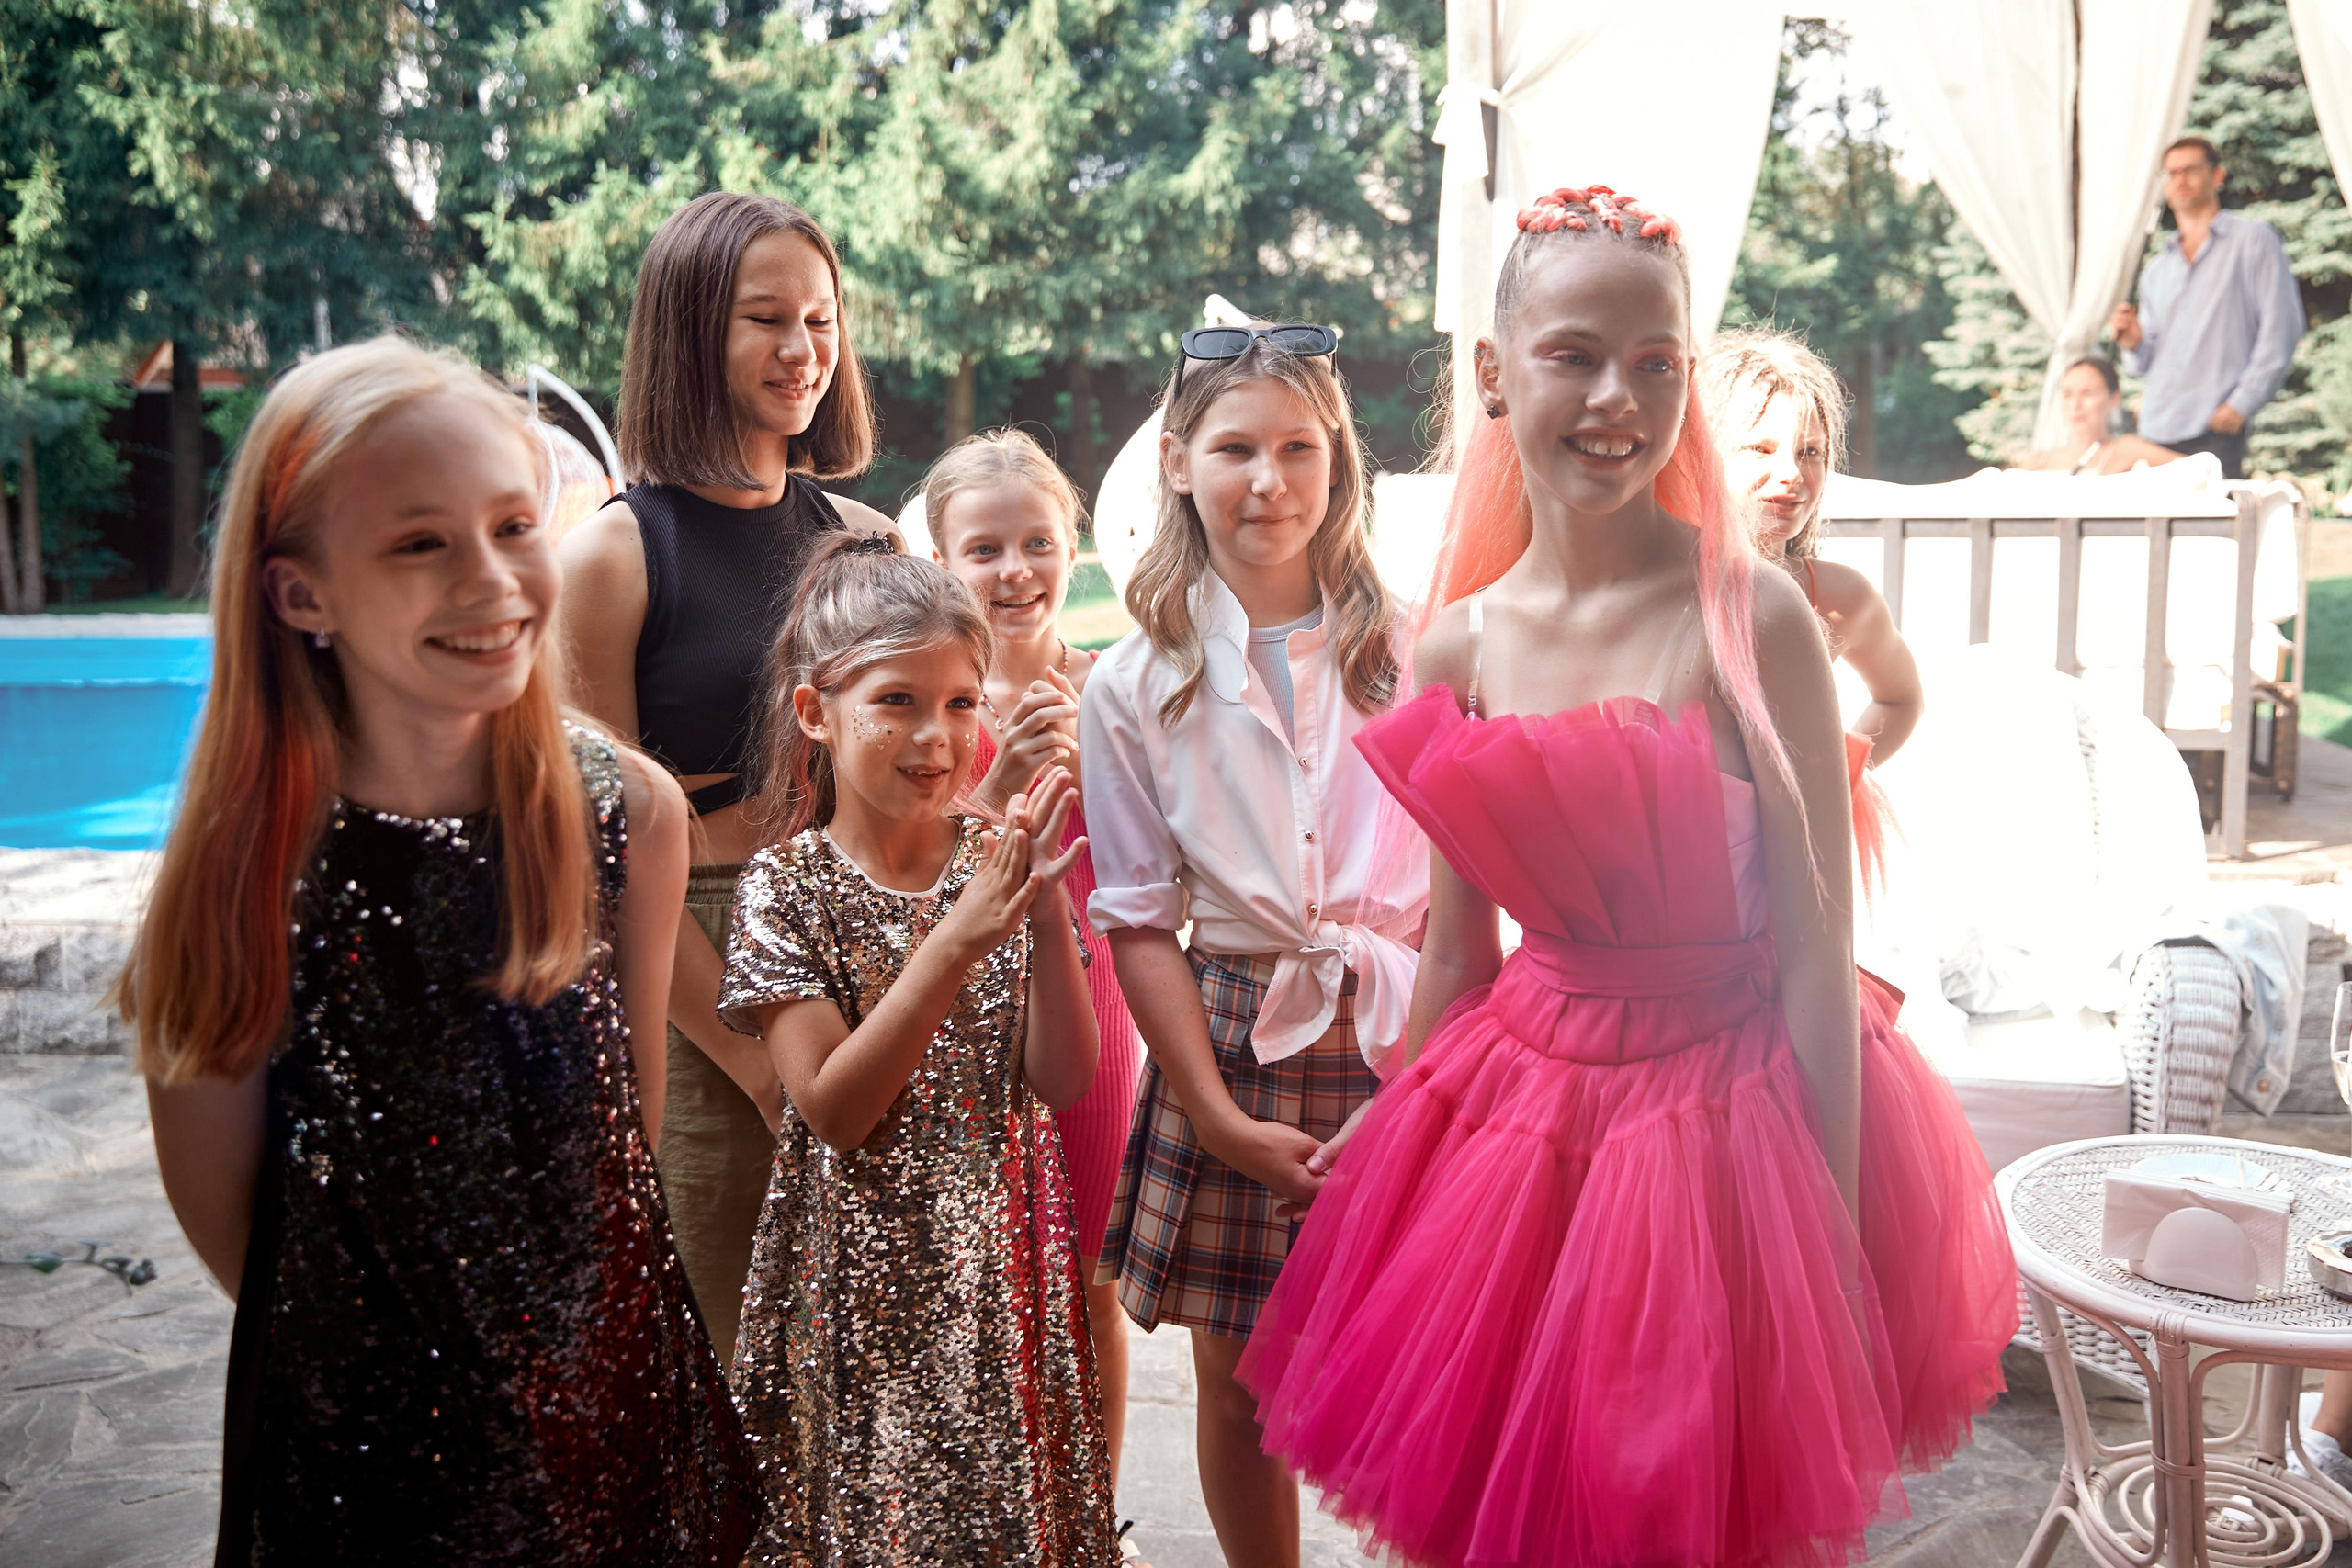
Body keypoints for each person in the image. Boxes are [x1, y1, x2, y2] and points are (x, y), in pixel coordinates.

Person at [1237, 186, 2014, 1568]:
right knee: (1519, 1509)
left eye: (1657, 362)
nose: (1617, 398)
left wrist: (1827, 1225)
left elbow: (1816, 950)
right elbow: (1461, 949)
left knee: (1693, 1516)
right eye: (1574, 355)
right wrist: (1398, 1128)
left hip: (1735, 1121)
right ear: (1492, 372)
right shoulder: (1457, 649)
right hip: (1528, 1118)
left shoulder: (1750, 613)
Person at [124, 336, 761, 1563]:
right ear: (298, 591)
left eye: (514, 523)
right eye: (420, 543)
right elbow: (230, 1222)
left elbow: (619, 1148)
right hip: (370, 1466)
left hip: (617, 1422)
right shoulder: (247, 868)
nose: (492, 579)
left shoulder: (631, 815)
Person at [1080, 325, 1422, 1568]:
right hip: (1229, 1042)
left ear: (1339, 464)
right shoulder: (1133, 684)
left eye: (1298, 446)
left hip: (1410, 1036)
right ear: (1178, 461)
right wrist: (1218, 1118)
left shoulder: (1421, 647)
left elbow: (1467, 899)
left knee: (1423, 1363)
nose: (1267, 479)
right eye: (1235, 447)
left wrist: (1422, 1082)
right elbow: (1136, 917)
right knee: (1237, 1385)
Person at [716, 533, 1115, 1566]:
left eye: (960, 702)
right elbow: (835, 1112)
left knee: (994, 1522)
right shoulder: (786, 887)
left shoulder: (995, 862)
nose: (935, 737)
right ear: (816, 712)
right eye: (896, 701)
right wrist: (958, 937)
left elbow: (1063, 1079)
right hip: (852, 1282)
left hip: (995, 1264)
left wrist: (1038, 915)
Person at [559, 191, 898, 1363]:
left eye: (821, 319)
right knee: (724, 1358)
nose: (803, 351)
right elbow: (601, 864)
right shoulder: (613, 555)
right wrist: (753, 1057)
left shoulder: (870, 541)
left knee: (871, 1371)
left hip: (867, 949)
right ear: (691, 331)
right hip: (700, 969)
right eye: (766, 319)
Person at [922, 428, 1143, 1481]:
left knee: (1090, 1282)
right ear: (943, 561)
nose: (1015, 572)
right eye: (984, 550)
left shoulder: (1117, 691)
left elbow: (1163, 875)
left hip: (1094, 1013)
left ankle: (1091, 1516)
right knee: (974, 1282)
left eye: (1037, 543)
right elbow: (905, 874)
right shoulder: (928, 711)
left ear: (1073, 547)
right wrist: (991, 789)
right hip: (956, 1018)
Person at [2110, 135, 2304, 479]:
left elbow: (2282, 329)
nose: (2179, 180)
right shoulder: (2157, 269)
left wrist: (2240, 404)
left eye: (2189, 170)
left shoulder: (2253, 241)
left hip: (2216, 427)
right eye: (2170, 173)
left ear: (2217, 176)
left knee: (2213, 531)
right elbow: (2143, 364)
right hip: (2156, 427)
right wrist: (2134, 341)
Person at [2018, 355, 2184, 475]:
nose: (2076, 404)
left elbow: (2199, 467)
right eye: (2068, 394)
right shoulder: (2038, 462)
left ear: (2114, 399)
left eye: (2088, 393)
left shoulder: (2127, 449)